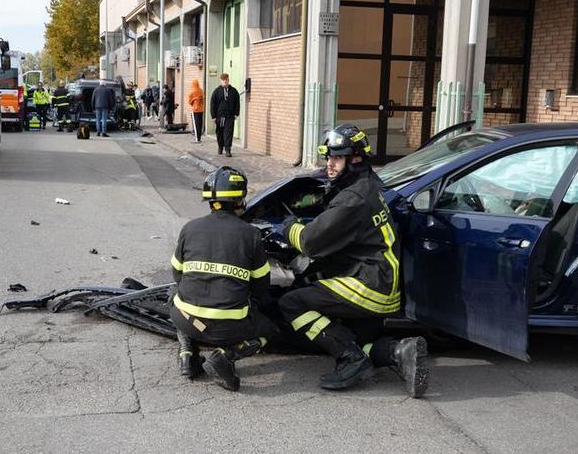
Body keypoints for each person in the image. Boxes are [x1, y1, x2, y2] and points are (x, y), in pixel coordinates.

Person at [275, 124, 429, 396]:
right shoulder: (368, 185)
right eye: (328, 158)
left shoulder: (353, 198)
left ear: (355, 159)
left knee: (292, 302)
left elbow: (311, 242)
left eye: (337, 158)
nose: (329, 164)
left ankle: (350, 358)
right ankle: (399, 352)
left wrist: (289, 226)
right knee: (357, 339)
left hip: (370, 284)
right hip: (383, 283)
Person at [170, 166, 279, 391]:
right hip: (229, 329)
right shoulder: (251, 234)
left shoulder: (190, 228)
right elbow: (261, 287)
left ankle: (187, 355)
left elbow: (177, 273)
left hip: (185, 319)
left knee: (176, 296)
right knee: (271, 330)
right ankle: (225, 355)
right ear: (240, 200)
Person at [209, 73, 241, 157]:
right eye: (223, 80)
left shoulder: (233, 91)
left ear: (228, 80)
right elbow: (213, 103)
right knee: (219, 132)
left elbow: (237, 103)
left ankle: (228, 149)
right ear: (221, 81)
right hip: (220, 116)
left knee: (228, 133)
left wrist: (236, 113)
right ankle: (220, 147)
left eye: (226, 80)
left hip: (229, 116)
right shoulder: (217, 91)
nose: (225, 82)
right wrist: (213, 116)